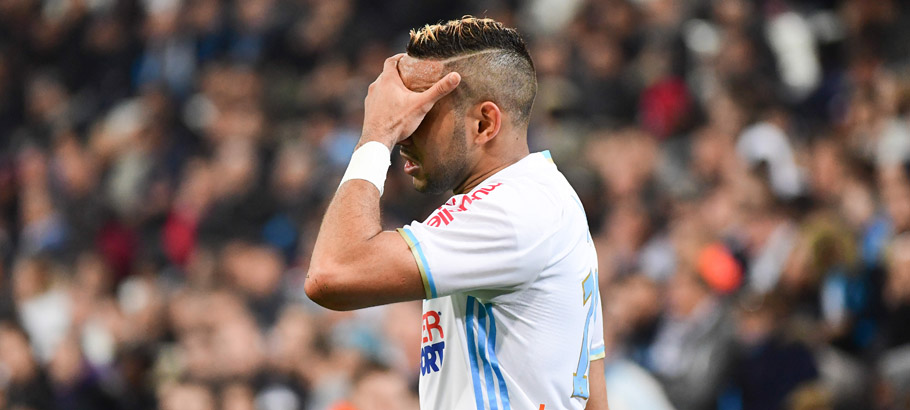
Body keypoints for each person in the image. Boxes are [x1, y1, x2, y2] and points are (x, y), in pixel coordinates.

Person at [306, 16, 608, 410]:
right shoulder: (545, 199)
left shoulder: (514, 211)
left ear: (484, 123)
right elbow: (592, 393)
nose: (403, 131)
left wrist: (376, 134)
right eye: (401, 112)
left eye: (422, 112)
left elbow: (332, 274)